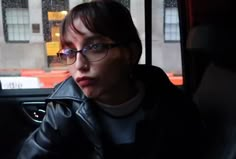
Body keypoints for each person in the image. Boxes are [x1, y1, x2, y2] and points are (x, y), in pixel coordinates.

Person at [17, 1, 207, 159]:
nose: (79, 65)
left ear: (129, 53)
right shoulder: (64, 110)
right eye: (69, 51)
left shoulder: (173, 107)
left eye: (95, 47)